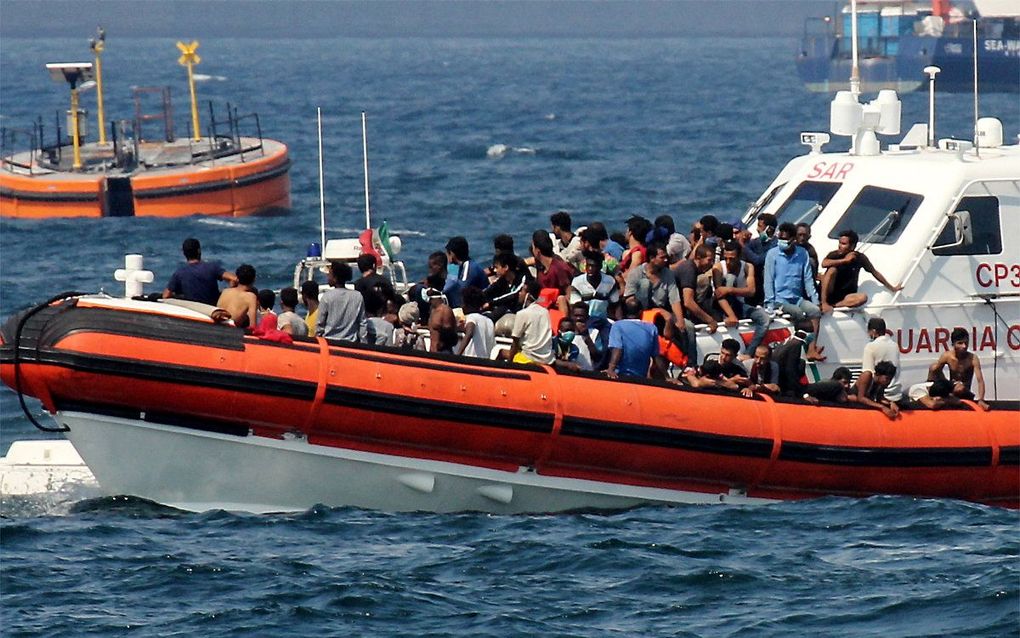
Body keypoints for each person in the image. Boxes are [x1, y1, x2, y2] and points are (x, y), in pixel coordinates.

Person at [764, 222, 824, 360]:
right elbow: (768, 280)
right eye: (781, 239)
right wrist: (770, 304)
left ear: (793, 240)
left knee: (814, 311)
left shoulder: (802, 253)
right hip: (780, 300)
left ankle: (811, 348)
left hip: (796, 297)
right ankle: (796, 349)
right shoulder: (772, 254)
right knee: (798, 313)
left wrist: (815, 300)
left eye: (786, 240)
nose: (782, 242)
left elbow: (808, 279)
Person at [626, 241, 694, 364]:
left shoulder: (667, 274)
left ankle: (690, 363)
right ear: (652, 258)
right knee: (645, 284)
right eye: (662, 258)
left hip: (663, 313)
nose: (666, 260)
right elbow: (629, 298)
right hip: (642, 313)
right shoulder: (636, 273)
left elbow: (674, 298)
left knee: (689, 327)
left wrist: (680, 320)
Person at [820, 229, 903, 313]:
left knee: (863, 297)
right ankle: (824, 303)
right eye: (840, 243)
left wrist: (892, 288)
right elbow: (824, 263)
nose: (840, 246)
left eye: (844, 244)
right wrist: (845, 260)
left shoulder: (860, 257)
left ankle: (835, 305)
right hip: (830, 293)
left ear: (852, 246)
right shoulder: (835, 254)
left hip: (845, 296)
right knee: (832, 270)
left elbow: (874, 272)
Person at [713, 240, 770, 355]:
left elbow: (751, 291)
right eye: (726, 258)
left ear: (739, 256)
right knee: (730, 278)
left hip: (739, 304)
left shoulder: (748, 267)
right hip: (721, 305)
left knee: (764, 319)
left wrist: (729, 290)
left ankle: (749, 352)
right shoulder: (718, 268)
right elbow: (719, 294)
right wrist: (731, 315)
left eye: (732, 258)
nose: (728, 262)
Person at [568, 251, 620, 359]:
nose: (590, 269)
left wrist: (618, 325)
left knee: (608, 347)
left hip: (603, 322)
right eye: (588, 265)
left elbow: (615, 306)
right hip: (585, 322)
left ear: (600, 266)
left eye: (593, 266)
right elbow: (575, 308)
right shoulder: (577, 282)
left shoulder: (610, 282)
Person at [927, 327, 990, 411]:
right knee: (933, 367)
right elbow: (935, 371)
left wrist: (981, 399)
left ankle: (947, 399)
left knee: (959, 388)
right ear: (953, 344)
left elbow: (980, 381)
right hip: (951, 388)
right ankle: (931, 395)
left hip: (964, 391)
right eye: (960, 343)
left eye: (966, 343)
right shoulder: (947, 356)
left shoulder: (973, 358)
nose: (964, 346)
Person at [163, 237, 237, 306]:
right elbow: (234, 279)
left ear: (184, 253)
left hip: (192, 310)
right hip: (212, 308)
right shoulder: (211, 267)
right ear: (199, 251)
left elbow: (166, 296)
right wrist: (227, 294)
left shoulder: (179, 273)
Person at [605, 297, 666, 380]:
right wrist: (667, 377)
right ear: (641, 312)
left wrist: (611, 369)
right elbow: (656, 356)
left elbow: (617, 348)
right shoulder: (651, 328)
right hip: (641, 379)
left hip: (620, 376)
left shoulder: (617, 325)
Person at [855, 317, 903, 407]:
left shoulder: (870, 346)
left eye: (868, 332)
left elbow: (867, 372)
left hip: (878, 394)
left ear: (873, 331)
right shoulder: (895, 345)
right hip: (896, 394)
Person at [316, 261, 368, 343]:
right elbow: (362, 323)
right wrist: (364, 344)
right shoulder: (357, 296)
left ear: (335, 278)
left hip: (330, 342)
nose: (327, 276)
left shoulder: (327, 297)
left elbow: (320, 324)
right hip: (350, 344)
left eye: (329, 274)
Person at [506, 280, 554, 365]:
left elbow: (515, 343)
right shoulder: (545, 312)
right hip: (546, 360)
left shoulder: (522, 314)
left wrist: (509, 364)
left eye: (522, 291)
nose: (519, 293)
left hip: (528, 358)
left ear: (528, 295)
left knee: (499, 352)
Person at [531, 230, 576, 314]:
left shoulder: (559, 267)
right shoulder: (540, 266)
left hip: (557, 308)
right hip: (543, 305)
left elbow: (570, 294)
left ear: (537, 250)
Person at [772, 320, 815, 397]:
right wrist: (801, 393)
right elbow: (790, 370)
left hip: (777, 376)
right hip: (782, 382)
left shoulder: (788, 340)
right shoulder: (796, 345)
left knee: (801, 362)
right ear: (806, 334)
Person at [444, 236, 489, 308]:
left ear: (452, 253)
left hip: (480, 306)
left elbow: (462, 291)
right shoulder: (468, 265)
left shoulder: (468, 267)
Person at [483, 251, 526, 320]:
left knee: (502, 308)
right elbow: (489, 290)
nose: (494, 270)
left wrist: (490, 303)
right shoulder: (501, 280)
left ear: (506, 267)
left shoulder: (522, 278)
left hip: (516, 309)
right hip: (504, 306)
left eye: (496, 267)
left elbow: (513, 295)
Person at [456, 286, 495, 358]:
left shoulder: (472, 317)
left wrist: (457, 355)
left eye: (463, 303)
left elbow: (469, 333)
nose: (462, 306)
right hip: (485, 361)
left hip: (471, 359)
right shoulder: (489, 321)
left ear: (468, 304)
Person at [216, 263, 258, 329]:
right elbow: (253, 326)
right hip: (231, 331)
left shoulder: (225, 291)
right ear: (254, 280)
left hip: (216, 327)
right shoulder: (251, 297)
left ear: (237, 278)